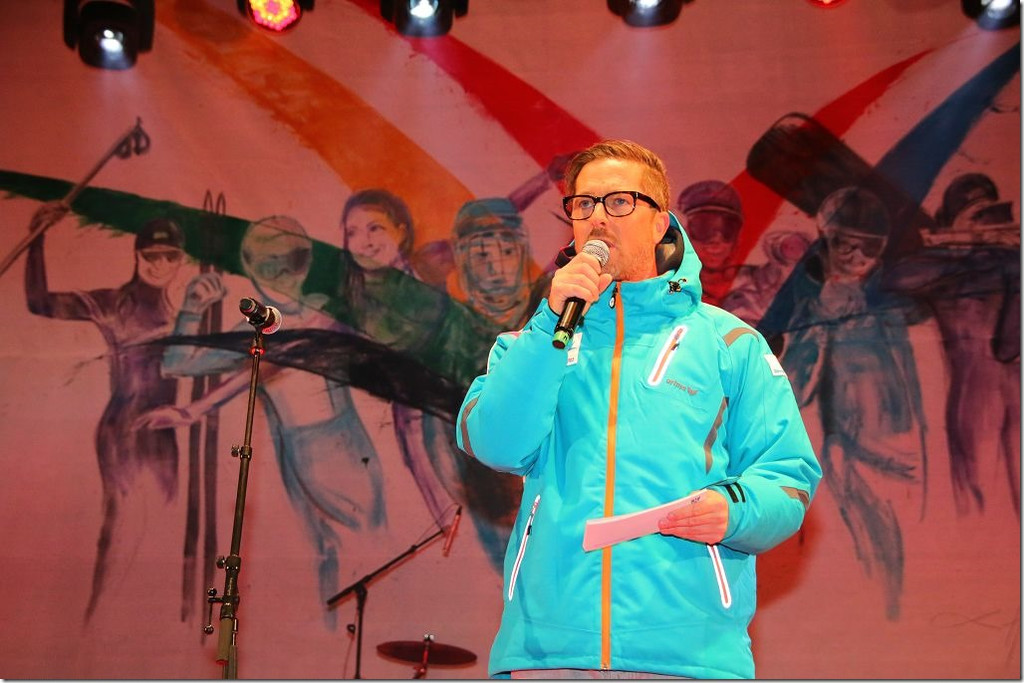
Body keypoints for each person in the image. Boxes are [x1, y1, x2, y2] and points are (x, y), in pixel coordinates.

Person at [455, 140, 821, 679]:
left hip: (690, 656)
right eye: (583, 204)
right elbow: (495, 444)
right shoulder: (532, 343)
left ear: (660, 223)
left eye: (619, 201)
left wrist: (735, 509)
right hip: (549, 654)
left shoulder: (729, 343)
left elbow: (788, 475)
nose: (598, 217)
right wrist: (549, 321)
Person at [23, 202, 188, 622]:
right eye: (152, 255)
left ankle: (143, 627)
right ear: (137, 255)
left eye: (169, 256)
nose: (160, 264)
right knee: (119, 530)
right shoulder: (114, 303)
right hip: (124, 431)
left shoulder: (180, 314)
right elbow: (40, 302)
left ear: (180, 261)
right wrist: (38, 238)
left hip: (164, 432)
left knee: (163, 530)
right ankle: (95, 623)